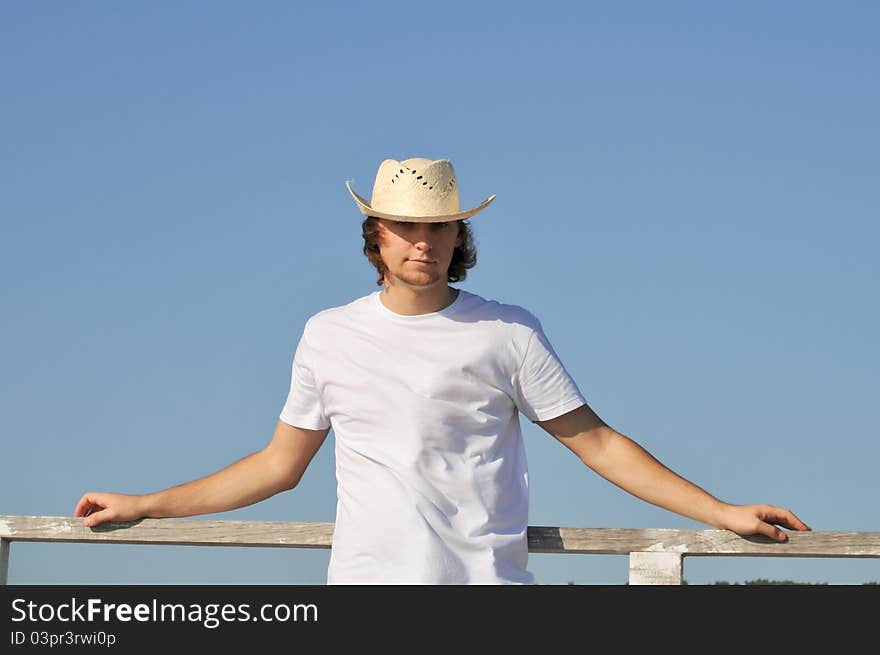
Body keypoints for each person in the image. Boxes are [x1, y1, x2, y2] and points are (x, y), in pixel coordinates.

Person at [74, 156, 811, 584]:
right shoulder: (327, 334)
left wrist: (721, 511)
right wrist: (144, 503)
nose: (421, 240)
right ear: (376, 234)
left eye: (438, 225)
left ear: (460, 233)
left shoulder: (506, 330)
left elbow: (598, 443)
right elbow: (276, 466)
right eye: (405, 225)